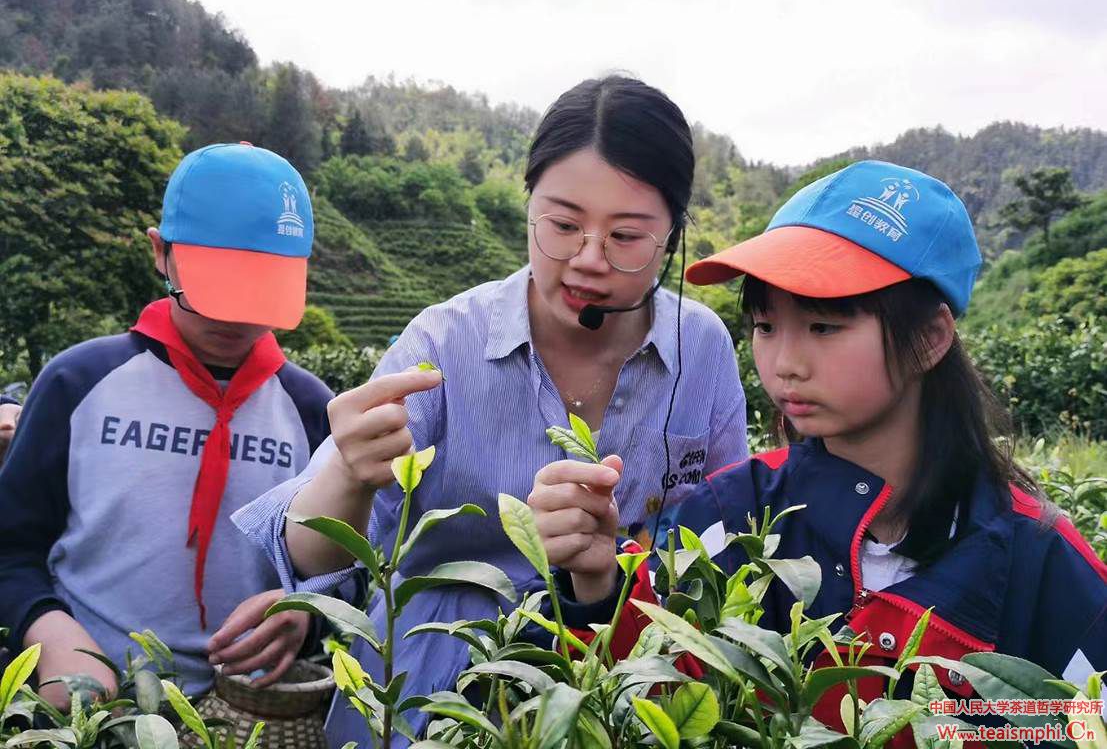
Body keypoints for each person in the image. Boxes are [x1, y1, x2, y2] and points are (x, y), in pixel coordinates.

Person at [233, 76, 750, 743]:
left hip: (618, 681)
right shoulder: (445, 343)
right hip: (430, 688)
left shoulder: (698, 347)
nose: (587, 261)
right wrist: (349, 474)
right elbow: (309, 556)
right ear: (528, 202)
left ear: (671, 236)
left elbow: (722, 545)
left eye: (625, 237)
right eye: (562, 225)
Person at [530, 160, 1107, 739]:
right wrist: (596, 582)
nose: (783, 364)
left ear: (930, 338)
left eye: (823, 326)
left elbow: (1089, 719)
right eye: (764, 325)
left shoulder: (1036, 559)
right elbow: (645, 696)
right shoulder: (730, 515)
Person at [0, 143, 334, 705]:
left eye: (258, 290)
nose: (234, 316)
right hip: (91, 703)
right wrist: (46, 627)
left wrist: (309, 614)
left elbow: (341, 570)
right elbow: (10, 546)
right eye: (218, 287)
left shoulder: (309, 410)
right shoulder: (78, 383)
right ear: (161, 253)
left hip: (247, 710)